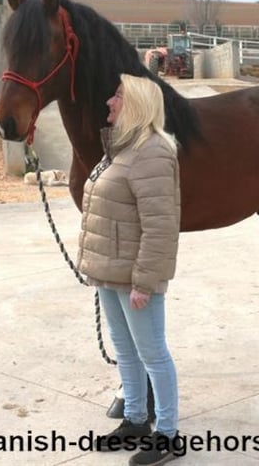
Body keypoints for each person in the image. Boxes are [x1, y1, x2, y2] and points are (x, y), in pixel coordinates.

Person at [77, 73, 184, 465]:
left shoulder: (152, 153)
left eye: (118, 96)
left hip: (133, 277)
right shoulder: (122, 149)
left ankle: (168, 435)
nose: (110, 101)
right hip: (109, 271)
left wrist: (145, 281)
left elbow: (160, 225)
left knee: (153, 353)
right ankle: (136, 421)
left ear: (136, 105)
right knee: (125, 351)